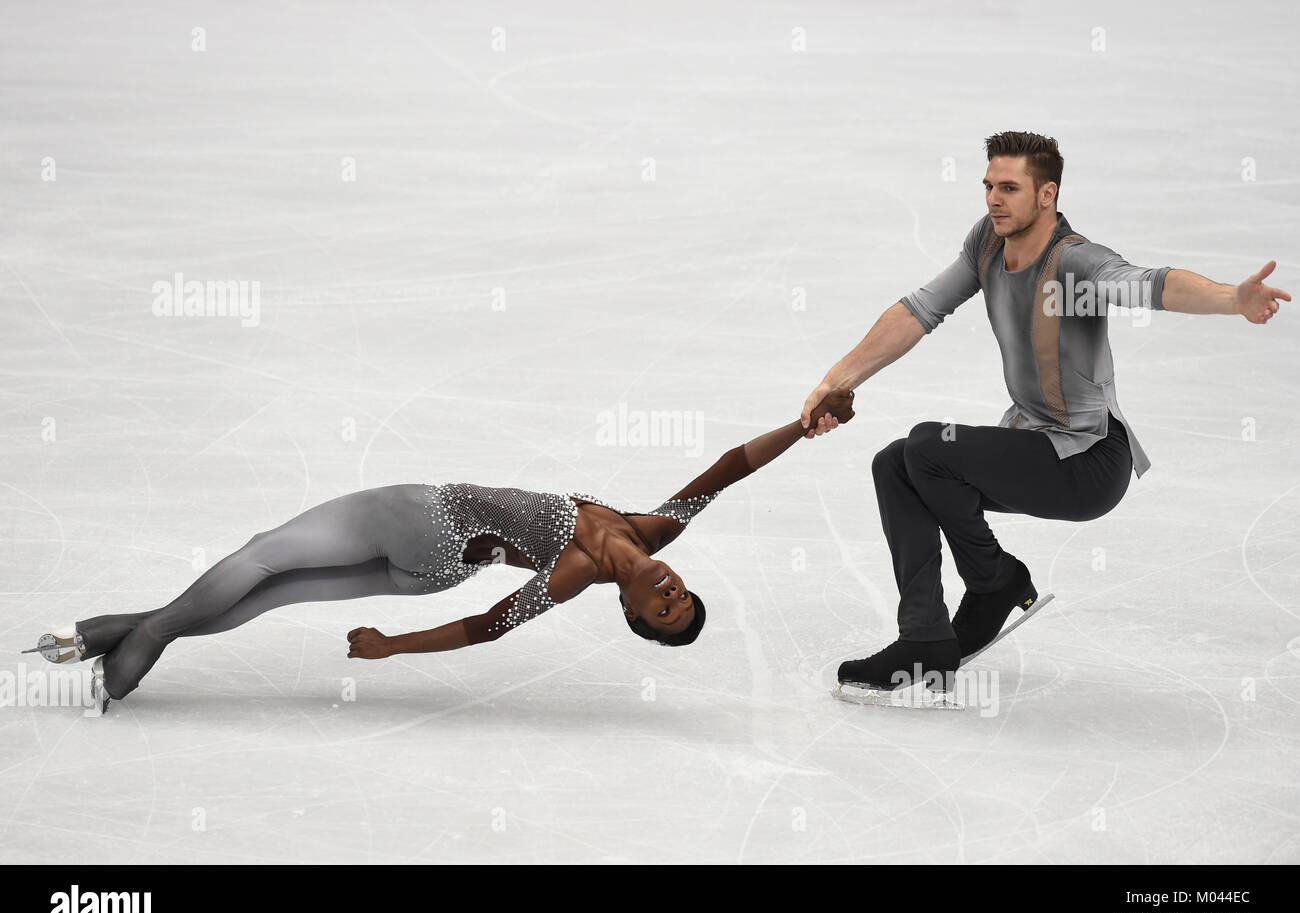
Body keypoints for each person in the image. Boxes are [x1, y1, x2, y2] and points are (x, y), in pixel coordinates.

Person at [801, 130, 1288, 703]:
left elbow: (1151, 285)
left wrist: (1233, 297)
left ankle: (992, 581)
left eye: (1009, 188)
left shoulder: (1075, 263)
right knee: (896, 463)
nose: (993, 200)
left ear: (1047, 193)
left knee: (928, 446)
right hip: (1035, 446)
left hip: (1088, 463)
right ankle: (926, 641)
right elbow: (921, 308)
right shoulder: (987, 243)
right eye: (988, 186)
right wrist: (838, 379)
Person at [28, 390, 855, 712]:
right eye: (684, 598)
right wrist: (808, 420)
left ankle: (144, 636)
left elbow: (493, 626)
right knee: (270, 594)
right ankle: (125, 631)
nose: (672, 593)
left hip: (429, 522)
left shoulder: (579, 569)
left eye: (663, 612)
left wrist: (392, 649)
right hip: (431, 570)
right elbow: (728, 470)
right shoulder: (655, 527)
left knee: (263, 554)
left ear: (633, 614)